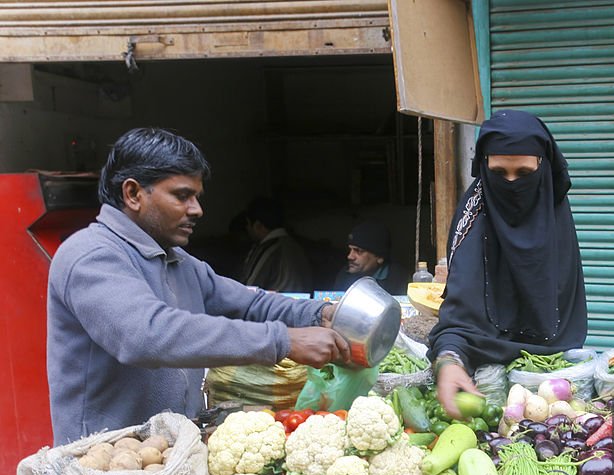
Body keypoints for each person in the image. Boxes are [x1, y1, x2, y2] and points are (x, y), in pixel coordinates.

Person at [46, 128, 349, 445]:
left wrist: (320, 313)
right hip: (104, 471)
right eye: (181, 196)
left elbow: (248, 303)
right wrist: (282, 340)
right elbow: (147, 334)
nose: (197, 209)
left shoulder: (177, 261)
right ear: (133, 194)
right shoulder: (91, 255)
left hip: (170, 461)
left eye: (196, 197)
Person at [428, 110, 587, 418]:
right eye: (499, 173)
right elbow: (458, 315)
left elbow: (565, 316)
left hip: (552, 389)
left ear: (543, 168)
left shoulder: (555, 218)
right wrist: (448, 359)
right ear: (483, 167)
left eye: (524, 173)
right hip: (479, 390)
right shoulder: (473, 220)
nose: (512, 184)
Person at [238, 196, 313, 292]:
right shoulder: (295, 245)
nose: (247, 229)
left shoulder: (269, 248)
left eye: (248, 224)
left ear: (258, 226)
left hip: (280, 305)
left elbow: (249, 289)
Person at [332, 220, 409, 295]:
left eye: (358, 251)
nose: (350, 256)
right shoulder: (344, 274)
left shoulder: (398, 278)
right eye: (350, 250)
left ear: (380, 257)